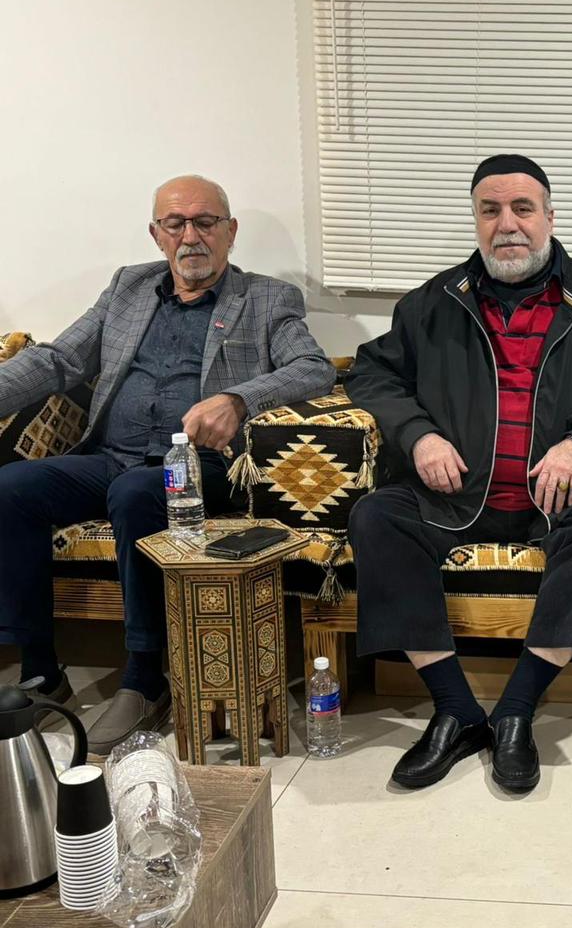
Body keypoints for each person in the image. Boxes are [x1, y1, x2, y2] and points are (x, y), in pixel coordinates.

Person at [345, 154, 572, 793]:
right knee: (375, 517)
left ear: (550, 217)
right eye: (490, 210)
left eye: (523, 209)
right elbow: (371, 373)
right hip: (453, 496)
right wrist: (418, 436)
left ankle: (516, 710)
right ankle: (454, 709)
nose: (507, 224)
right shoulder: (434, 302)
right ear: (475, 220)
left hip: (559, 499)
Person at [0, 174, 335, 754]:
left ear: (230, 231)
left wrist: (237, 400)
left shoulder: (266, 298)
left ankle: (144, 676)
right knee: (11, 486)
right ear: (156, 235)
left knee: (135, 492)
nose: (191, 236)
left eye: (205, 222)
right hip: (110, 458)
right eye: (175, 223)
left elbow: (314, 367)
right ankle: (39, 668)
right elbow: (59, 361)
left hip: (200, 469)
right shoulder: (127, 288)